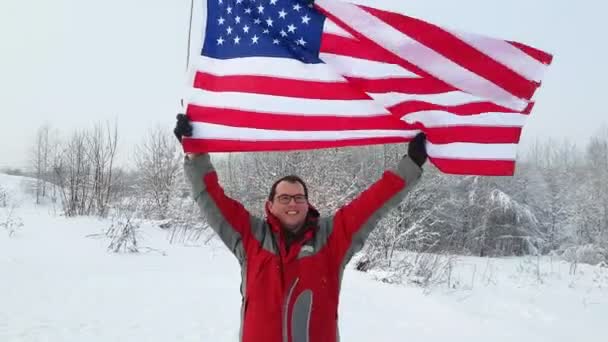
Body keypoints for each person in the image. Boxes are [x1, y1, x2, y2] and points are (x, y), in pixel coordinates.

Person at [174, 114, 427, 342]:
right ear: (269, 205)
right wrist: (196, 156)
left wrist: (411, 165)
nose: (292, 203)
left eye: (299, 197)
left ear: (308, 203)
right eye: (284, 198)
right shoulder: (251, 237)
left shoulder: (331, 238)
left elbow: (372, 204)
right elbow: (211, 198)